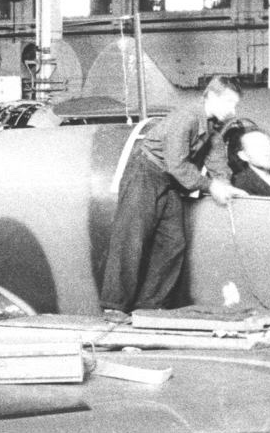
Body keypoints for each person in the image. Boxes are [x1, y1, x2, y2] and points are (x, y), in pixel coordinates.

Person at [100, 76, 246, 314]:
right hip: (146, 174)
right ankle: (114, 306)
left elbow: (217, 159)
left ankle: (149, 307)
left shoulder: (213, 127)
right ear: (211, 96)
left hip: (170, 182)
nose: (233, 110)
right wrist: (211, 186)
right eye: (229, 102)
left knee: (173, 243)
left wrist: (225, 184)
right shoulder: (186, 117)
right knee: (131, 239)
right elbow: (176, 164)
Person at [231, 129, 270, 197]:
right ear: (243, 156)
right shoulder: (242, 184)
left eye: (269, 145)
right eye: (259, 147)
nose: (267, 151)